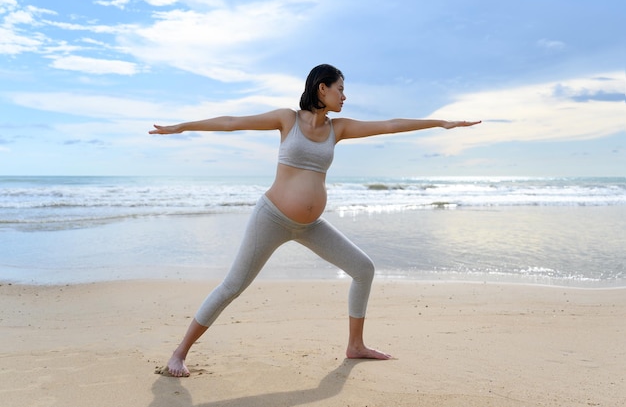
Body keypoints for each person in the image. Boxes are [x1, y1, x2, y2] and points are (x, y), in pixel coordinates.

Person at [149, 64, 481, 377]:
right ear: (322, 89)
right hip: (272, 218)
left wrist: (439, 123)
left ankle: (355, 345)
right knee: (233, 286)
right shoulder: (286, 119)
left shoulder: (340, 128)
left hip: (310, 226)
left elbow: (390, 125)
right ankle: (180, 352)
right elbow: (232, 122)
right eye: (340, 89)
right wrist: (183, 126)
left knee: (363, 269)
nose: (344, 96)